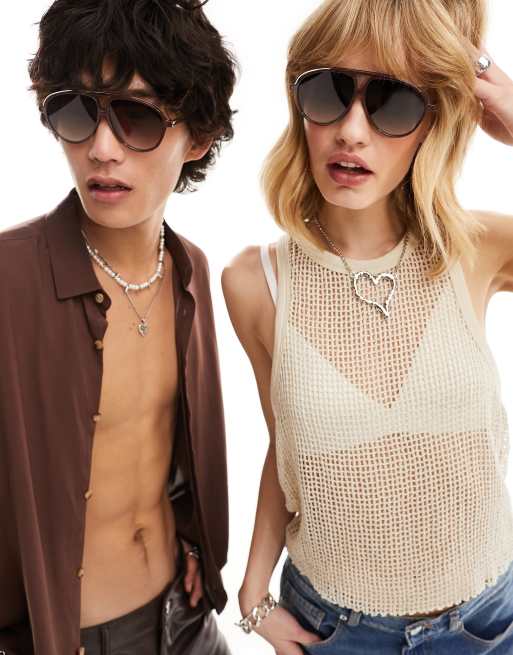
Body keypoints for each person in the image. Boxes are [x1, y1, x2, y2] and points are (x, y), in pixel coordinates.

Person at [222, 0, 513, 653]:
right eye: (328, 92)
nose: (351, 131)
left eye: (393, 103)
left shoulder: (476, 250)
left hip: (490, 625)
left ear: (433, 122)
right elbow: (286, 443)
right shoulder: (254, 282)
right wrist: (252, 591)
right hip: (335, 630)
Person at [0, 1, 236, 654]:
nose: (101, 149)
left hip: (187, 618)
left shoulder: (188, 269)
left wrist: (194, 537)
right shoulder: (10, 279)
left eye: (136, 116)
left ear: (198, 137)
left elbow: (171, 445)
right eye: (77, 112)